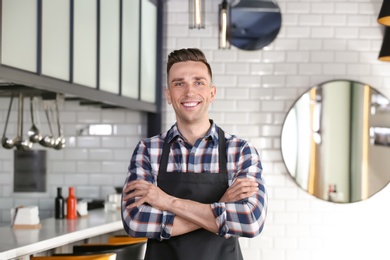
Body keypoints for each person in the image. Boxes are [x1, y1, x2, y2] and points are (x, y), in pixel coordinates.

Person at [121, 48, 267, 260]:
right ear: (169, 95)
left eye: (199, 82)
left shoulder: (241, 151)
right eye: (179, 83)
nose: (189, 92)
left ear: (212, 93)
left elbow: (251, 221)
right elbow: (134, 221)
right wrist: (222, 205)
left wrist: (166, 202)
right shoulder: (148, 150)